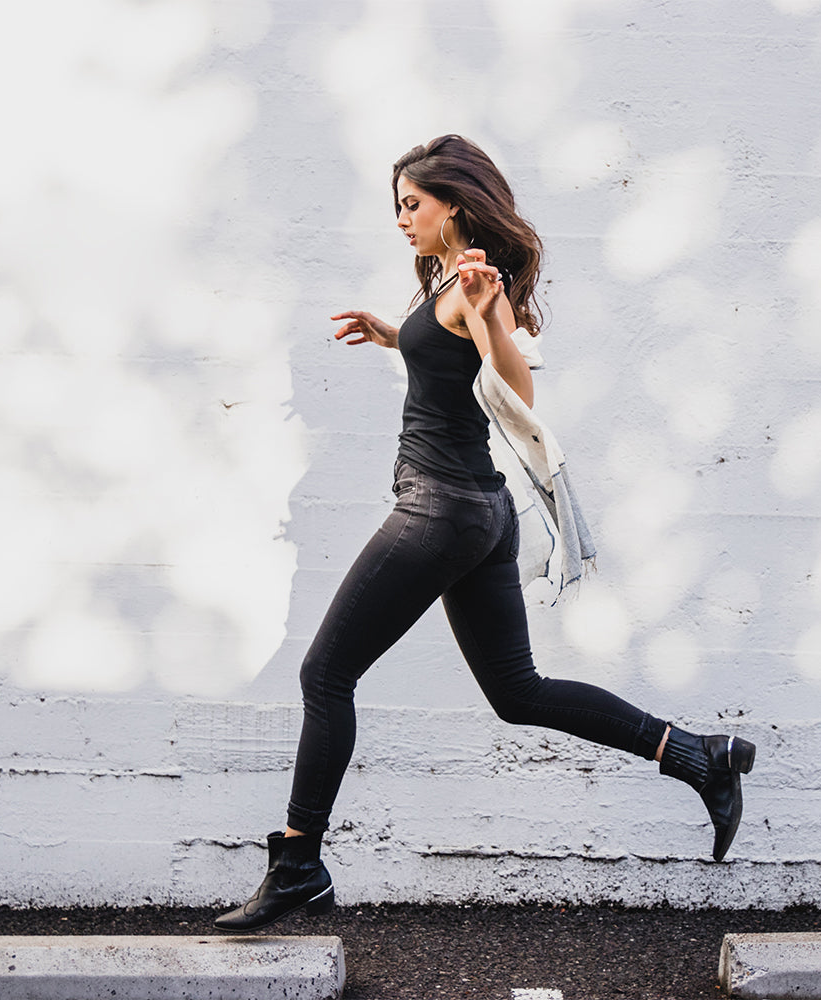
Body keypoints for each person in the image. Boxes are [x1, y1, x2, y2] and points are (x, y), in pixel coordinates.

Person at [214, 135, 756, 933]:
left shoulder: (475, 286)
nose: (402, 220)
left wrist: (493, 312)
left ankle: (299, 865)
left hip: (439, 511)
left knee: (324, 677)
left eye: (412, 205)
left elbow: (512, 381)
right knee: (519, 694)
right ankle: (696, 756)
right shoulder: (449, 287)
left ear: (452, 207)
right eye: (398, 206)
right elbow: (457, 355)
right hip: (481, 512)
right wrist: (397, 335)